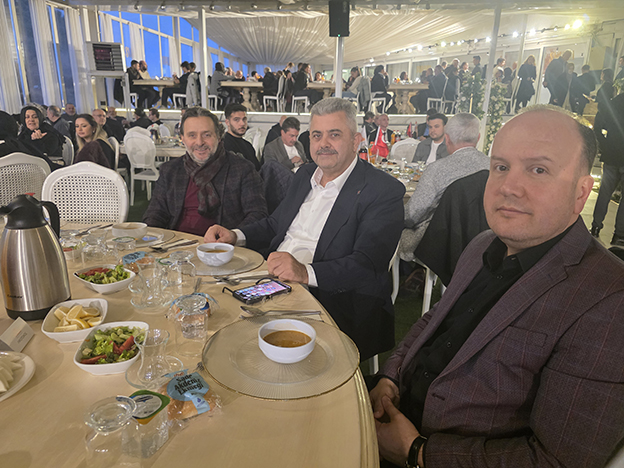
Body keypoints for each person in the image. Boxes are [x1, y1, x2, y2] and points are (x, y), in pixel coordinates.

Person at [371, 106, 624, 468]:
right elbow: (434, 320)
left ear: (581, 193)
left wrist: (417, 452)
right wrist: (389, 378)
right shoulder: (483, 245)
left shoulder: (608, 299)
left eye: (538, 170)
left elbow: (558, 460)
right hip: (394, 410)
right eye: (501, 167)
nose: (508, 187)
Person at [204, 98, 405, 360]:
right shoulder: (304, 175)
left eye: (335, 135)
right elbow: (276, 224)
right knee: (210, 318)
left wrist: (304, 272)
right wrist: (235, 235)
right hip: (273, 282)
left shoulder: (382, 190)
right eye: (317, 135)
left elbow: (367, 265)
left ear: (356, 141)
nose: (324, 144)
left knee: (248, 351)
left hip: (333, 299)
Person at [143, 107, 267, 236]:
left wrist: (233, 235)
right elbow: (155, 213)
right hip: (176, 244)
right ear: (183, 138)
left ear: (218, 136)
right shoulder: (170, 171)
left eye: (207, 135)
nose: (199, 142)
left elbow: (258, 215)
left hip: (222, 246)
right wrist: (153, 238)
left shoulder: (242, 169)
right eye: (192, 135)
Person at [399, 113, 490, 262]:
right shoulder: (493, 166)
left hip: (442, 244)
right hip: (485, 238)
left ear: (447, 138)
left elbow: (413, 214)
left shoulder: (437, 169)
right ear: (478, 138)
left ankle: (408, 272)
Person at [591, 92, 624, 246]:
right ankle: (619, 235)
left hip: (611, 155)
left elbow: (597, 127)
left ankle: (595, 227)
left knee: (604, 193)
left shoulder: (611, 104)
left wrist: (604, 144)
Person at [223, 103, 260, 171]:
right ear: (227, 122)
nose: (242, 123)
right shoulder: (223, 145)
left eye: (244, 119)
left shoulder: (248, 146)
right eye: (237, 120)